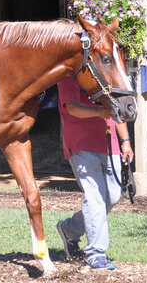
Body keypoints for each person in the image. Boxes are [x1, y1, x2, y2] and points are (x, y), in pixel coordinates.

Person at [56, 77, 134, 270]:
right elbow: (72, 107)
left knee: (114, 196)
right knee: (95, 198)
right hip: (81, 143)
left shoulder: (105, 74)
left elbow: (118, 108)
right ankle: (96, 253)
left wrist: (125, 141)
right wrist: (100, 111)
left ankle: (70, 229)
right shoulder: (69, 75)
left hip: (110, 143)